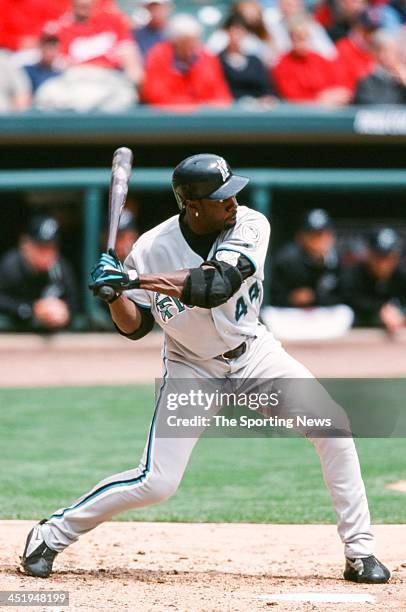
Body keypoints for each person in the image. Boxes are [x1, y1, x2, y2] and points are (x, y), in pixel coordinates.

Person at [21, 154, 389, 585]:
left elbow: (214, 285)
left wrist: (133, 280)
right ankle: (50, 534)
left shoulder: (251, 225)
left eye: (232, 191)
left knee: (334, 430)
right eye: (221, 196)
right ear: (192, 205)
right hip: (191, 366)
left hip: (253, 355)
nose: (233, 201)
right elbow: (136, 326)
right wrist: (112, 295)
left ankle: (360, 552)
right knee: (157, 482)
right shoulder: (149, 250)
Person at [35, 0, 143, 112]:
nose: (83, 8)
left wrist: (133, 75)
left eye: (87, 5)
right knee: (46, 95)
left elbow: (129, 54)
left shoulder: (112, 21)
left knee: (125, 96)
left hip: (107, 78)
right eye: (79, 5)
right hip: (75, 80)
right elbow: (51, 58)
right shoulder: (62, 26)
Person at [262, 208, 353, 340]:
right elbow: (270, 297)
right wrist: (290, 298)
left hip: (321, 315)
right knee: (269, 316)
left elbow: (344, 296)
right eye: (314, 234)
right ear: (301, 237)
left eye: (323, 233)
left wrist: (316, 297)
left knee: (345, 313)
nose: (320, 239)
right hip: (291, 315)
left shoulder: (338, 259)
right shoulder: (286, 259)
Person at [0, 215, 79, 330]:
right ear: (25, 244)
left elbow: (75, 303)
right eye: (41, 247)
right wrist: (31, 309)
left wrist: (64, 313)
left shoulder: (61, 268)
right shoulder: (11, 266)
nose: (46, 254)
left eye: (51, 248)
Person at [141, 14, 232, 107]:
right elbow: (154, 94)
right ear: (175, 41)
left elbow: (222, 95)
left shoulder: (208, 58)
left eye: (196, 40)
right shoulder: (159, 55)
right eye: (187, 41)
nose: (193, 45)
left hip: (203, 116)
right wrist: (193, 104)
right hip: (168, 117)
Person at [272, 16, 351, 105]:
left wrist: (332, 96)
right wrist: (318, 99)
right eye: (298, 37)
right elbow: (291, 97)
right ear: (291, 38)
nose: (303, 42)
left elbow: (341, 88)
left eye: (306, 37)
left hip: (328, 109)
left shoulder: (319, 59)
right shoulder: (283, 64)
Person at [342, 228, 406, 331]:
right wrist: (379, 309)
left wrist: (400, 314)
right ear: (368, 254)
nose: (382, 264)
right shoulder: (354, 274)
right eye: (378, 257)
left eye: (387, 257)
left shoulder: (401, 273)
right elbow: (348, 299)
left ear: (396, 256)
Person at [218, 15, 277, 102]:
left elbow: (266, 89)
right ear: (226, 32)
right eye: (233, 31)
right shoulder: (217, 61)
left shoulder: (255, 61)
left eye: (241, 31)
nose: (236, 35)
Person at [352, 30, 406, 104]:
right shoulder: (366, 82)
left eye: (395, 51)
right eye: (388, 51)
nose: (393, 55)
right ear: (376, 53)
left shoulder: (402, 79)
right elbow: (373, 108)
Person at [23, 24, 63, 94]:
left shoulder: (60, 74)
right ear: (41, 48)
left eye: (54, 47)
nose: (51, 52)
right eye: (48, 47)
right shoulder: (28, 71)